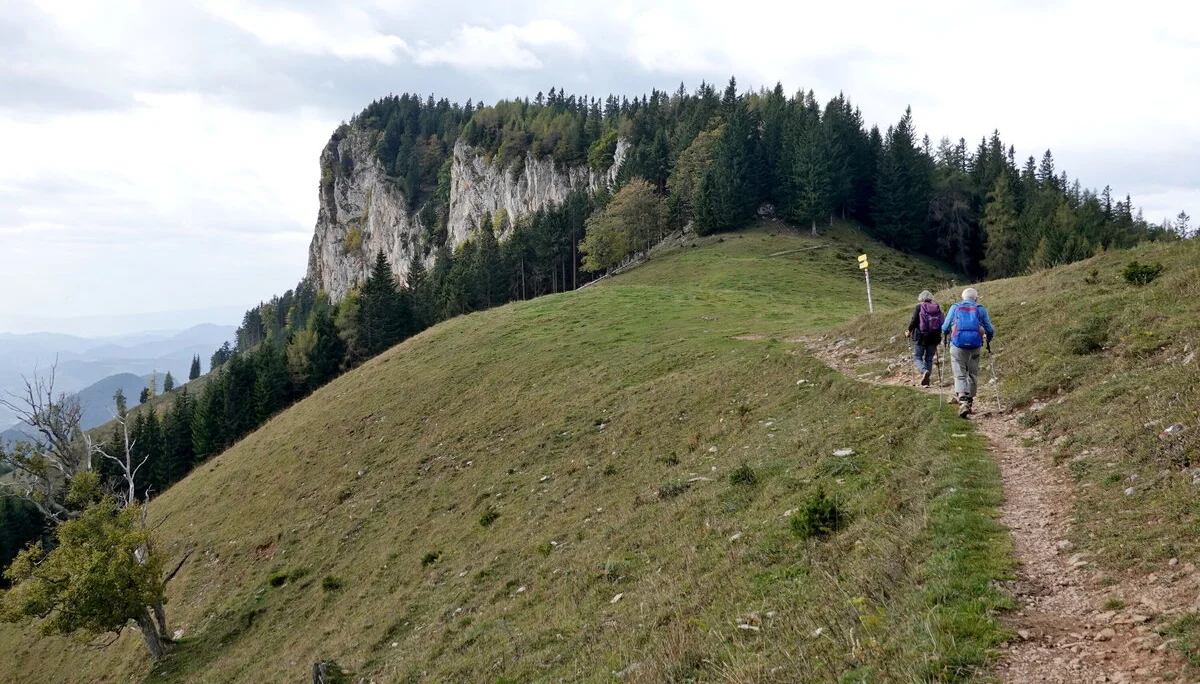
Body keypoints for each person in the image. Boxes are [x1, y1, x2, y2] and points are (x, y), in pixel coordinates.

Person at [940, 287, 995, 418]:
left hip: (957, 345)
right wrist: (988, 340)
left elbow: (945, 327)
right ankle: (969, 403)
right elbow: (990, 329)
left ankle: (963, 402)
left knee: (959, 374)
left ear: (963, 297)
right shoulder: (980, 308)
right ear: (976, 298)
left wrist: (946, 333)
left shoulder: (955, 307)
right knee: (972, 373)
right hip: (975, 345)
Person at [904, 290, 942, 387]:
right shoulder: (936, 308)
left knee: (917, 357)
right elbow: (942, 321)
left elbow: (914, 320)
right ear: (931, 298)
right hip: (934, 336)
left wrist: (909, 331)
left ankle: (924, 371)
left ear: (921, 298)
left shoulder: (919, 307)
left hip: (920, 336)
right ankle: (927, 383)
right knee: (929, 359)